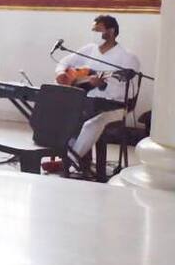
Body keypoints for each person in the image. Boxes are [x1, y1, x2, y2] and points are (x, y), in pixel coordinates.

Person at [49, 15, 140, 173]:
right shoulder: (89, 49)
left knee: (93, 123)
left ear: (111, 31)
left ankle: (68, 162)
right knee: (66, 117)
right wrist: (61, 73)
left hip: (115, 106)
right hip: (87, 102)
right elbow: (65, 62)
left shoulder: (128, 57)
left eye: (98, 30)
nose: (94, 34)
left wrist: (104, 83)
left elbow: (130, 91)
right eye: (93, 30)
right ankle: (74, 159)